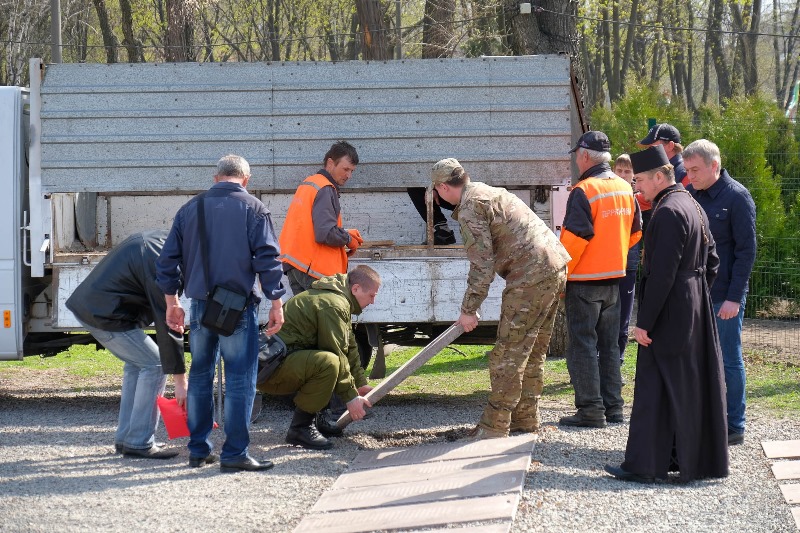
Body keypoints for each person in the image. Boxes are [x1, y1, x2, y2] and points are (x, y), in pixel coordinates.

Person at [604, 145, 729, 483]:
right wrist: (696, 292)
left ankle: (646, 465)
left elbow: (662, 274)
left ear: (660, 176)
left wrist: (644, 323)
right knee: (683, 384)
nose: (637, 186)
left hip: (672, 309)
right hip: (693, 304)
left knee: (655, 387)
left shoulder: (669, 211)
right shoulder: (692, 204)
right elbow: (713, 262)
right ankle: (675, 460)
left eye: (641, 179)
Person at [156, 154, 285, 472]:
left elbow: (166, 261)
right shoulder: (254, 208)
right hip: (238, 308)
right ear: (246, 179)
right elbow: (268, 260)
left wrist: (172, 302)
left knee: (200, 377)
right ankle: (235, 453)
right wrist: (277, 302)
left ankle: (198, 450)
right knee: (241, 381)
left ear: (216, 179)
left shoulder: (189, 209)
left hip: (200, 306)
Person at [431, 158, 571, 438]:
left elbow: (482, 265)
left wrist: (468, 309)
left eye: (436, 190)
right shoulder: (486, 191)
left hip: (530, 275)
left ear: (443, 187)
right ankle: (525, 419)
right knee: (531, 350)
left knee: (508, 353)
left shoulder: (470, 206)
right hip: (555, 266)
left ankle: (494, 427)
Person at [66, 230, 185, 459]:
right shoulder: (162, 264)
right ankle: (139, 443)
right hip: (105, 315)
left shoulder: (160, 244)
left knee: (138, 364)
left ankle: (126, 439)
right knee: (156, 365)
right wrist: (181, 380)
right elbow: (166, 322)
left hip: (98, 309)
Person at [559, 131, 641, 428]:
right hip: (614, 280)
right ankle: (614, 408)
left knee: (582, 346)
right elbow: (635, 233)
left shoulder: (584, 190)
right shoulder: (625, 187)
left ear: (584, 156)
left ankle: (591, 411)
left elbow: (574, 239)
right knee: (609, 345)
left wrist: (561, 273)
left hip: (584, 282)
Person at [684, 139, 757, 446]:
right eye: (686, 170)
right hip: (696, 294)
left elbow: (746, 251)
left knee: (728, 360)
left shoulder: (738, 197)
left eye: (695, 169)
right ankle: (707, 419)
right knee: (698, 359)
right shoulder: (689, 195)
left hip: (724, 296)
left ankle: (734, 425)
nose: (690, 176)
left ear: (715, 165)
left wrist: (734, 298)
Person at [258, 266, 378, 450]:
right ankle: (301, 428)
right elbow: (337, 352)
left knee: (326, 360)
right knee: (328, 363)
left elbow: (349, 346)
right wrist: (351, 398)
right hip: (269, 370)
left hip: (277, 363)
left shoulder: (338, 299)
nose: (373, 301)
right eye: (371, 295)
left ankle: (316, 419)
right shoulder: (334, 304)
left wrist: (360, 384)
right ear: (355, 289)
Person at [279, 141, 363, 295]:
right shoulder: (325, 189)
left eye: (352, 171)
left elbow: (310, 226)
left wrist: (343, 233)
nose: (348, 175)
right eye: (345, 169)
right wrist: (348, 239)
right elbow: (325, 233)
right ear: (330, 163)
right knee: (324, 317)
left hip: (295, 265)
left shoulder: (309, 184)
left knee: (305, 319)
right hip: (313, 271)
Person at [613, 154, 640, 362]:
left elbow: (636, 234)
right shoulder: (606, 196)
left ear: (634, 176)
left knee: (623, 319)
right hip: (603, 267)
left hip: (627, 267)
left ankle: (617, 363)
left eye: (627, 171)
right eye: (619, 170)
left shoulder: (636, 201)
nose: (623, 175)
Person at [638, 123, 687, 233]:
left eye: (652, 147)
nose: (648, 151)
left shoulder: (684, 172)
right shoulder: (666, 169)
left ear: (670, 146)